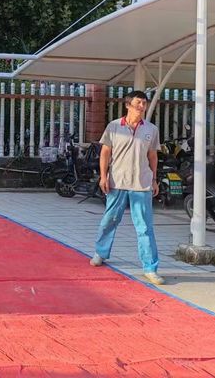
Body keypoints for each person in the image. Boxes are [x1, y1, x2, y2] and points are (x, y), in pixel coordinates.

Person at [89, 90, 164, 285]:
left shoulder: (151, 129)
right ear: (128, 105)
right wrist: (103, 176)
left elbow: (153, 156)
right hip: (117, 182)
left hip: (141, 184)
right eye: (138, 102)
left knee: (145, 227)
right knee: (109, 220)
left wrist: (154, 179)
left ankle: (150, 268)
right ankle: (100, 252)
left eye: (144, 103)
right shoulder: (114, 127)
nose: (142, 106)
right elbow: (105, 153)